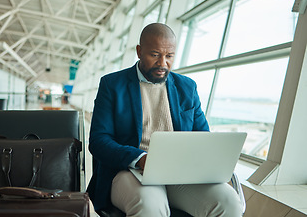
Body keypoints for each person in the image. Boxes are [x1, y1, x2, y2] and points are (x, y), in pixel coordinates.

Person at [87, 23, 243, 217]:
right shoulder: (112, 85)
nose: (163, 63)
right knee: (151, 205)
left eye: (169, 56)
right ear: (139, 51)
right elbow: (99, 141)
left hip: (180, 173)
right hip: (129, 170)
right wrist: (140, 158)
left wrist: (213, 166)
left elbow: (203, 137)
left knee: (228, 202)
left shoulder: (187, 87)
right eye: (155, 54)